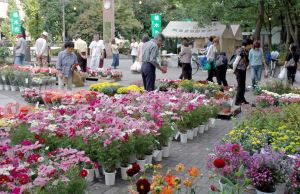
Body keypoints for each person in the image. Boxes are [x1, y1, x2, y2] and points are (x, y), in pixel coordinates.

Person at [233, 38, 253, 105]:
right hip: (239, 70)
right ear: (247, 44)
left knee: (242, 86)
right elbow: (235, 62)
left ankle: (242, 100)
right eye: (250, 45)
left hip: (242, 70)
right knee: (240, 86)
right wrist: (234, 71)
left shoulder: (245, 50)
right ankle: (237, 101)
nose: (250, 47)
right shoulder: (241, 50)